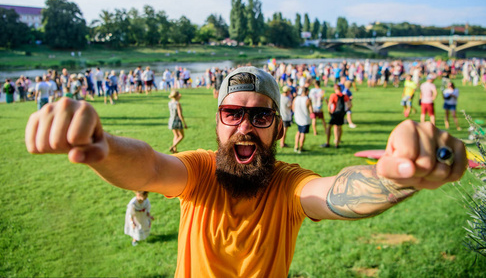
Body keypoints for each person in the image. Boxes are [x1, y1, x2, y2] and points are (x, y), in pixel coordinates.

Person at [25, 66, 467, 277]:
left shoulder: (290, 185)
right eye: (232, 113)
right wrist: (103, 147)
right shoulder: (198, 172)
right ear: (217, 122)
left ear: (278, 128)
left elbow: (336, 194)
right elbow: (149, 167)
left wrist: (396, 178)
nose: (244, 127)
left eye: (260, 117)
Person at [323, 84, 349, 148]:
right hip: (342, 113)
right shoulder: (344, 96)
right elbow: (350, 105)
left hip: (335, 113)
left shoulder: (333, 95)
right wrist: (345, 111)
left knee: (330, 127)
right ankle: (337, 142)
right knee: (339, 127)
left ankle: (328, 142)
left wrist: (330, 112)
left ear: (334, 89)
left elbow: (329, 105)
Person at [292, 87, 312, 154]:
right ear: (307, 92)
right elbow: (311, 111)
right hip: (305, 119)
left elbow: (293, 108)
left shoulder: (296, 98)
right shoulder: (307, 100)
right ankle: (300, 148)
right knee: (303, 133)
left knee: (298, 131)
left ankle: (296, 146)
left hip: (298, 118)